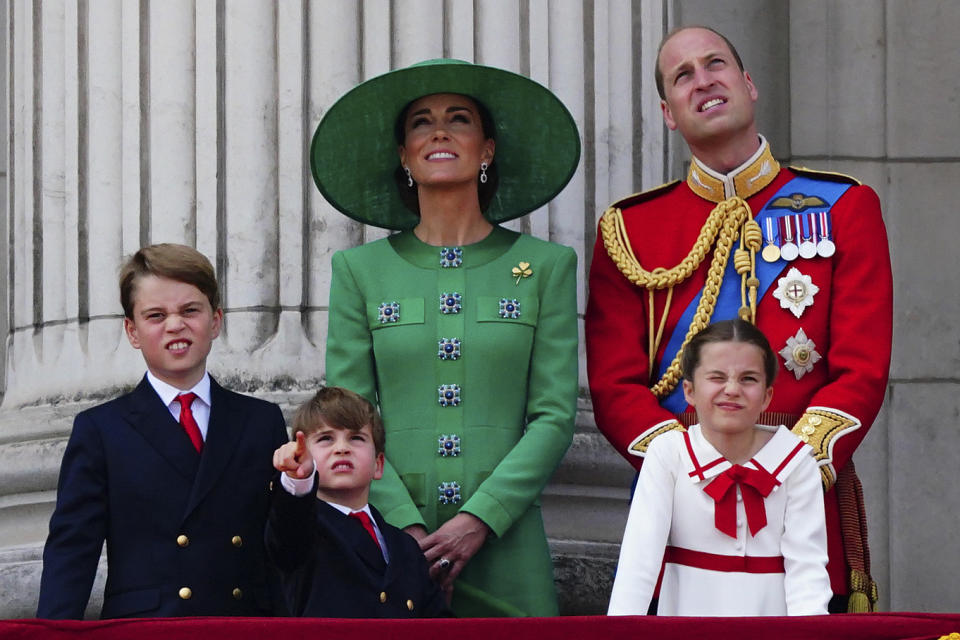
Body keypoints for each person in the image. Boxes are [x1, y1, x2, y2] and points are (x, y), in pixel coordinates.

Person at [586, 26, 892, 612]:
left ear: (748, 84)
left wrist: (785, 468)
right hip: (677, 503)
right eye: (683, 76)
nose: (703, 81)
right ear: (668, 113)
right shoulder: (630, 229)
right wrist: (694, 472)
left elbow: (862, 369)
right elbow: (613, 385)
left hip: (804, 487)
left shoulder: (844, 207)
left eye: (715, 64)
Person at [311, 58, 581, 617]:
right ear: (404, 155)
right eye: (420, 122)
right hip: (390, 536)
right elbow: (347, 415)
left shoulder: (547, 265)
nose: (438, 131)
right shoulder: (360, 270)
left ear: (487, 149)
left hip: (507, 538)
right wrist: (406, 529)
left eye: (459, 119)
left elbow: (554, 415)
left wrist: (480, 517)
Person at [36, 243, 289, 619]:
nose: (175, 325)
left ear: (215, 321)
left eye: (190, 310)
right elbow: (72, 550)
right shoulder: (101, 430)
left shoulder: (261, 420)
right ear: (132, 331)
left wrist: (300, 487)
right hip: (147, 626)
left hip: (242, 622)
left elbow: (287, 546)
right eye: (155, 315)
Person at [608, 319, 831, 616]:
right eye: (716, 377)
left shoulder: (797, 461)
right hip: (685, 630)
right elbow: (638, 562)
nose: (732, 389)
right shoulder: (668, 454)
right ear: (689, 391)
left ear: (767, 396)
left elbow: (808, 573)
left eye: (748, 379)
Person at [266, 386, 449, 617]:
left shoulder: (405, 546)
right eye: (325, 438)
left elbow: (438, 623)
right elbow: (286, 533)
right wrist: (297, 480)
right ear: (302, 454)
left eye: (356, 438)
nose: (341, 448)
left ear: (378, 464)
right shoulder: (303, 530)